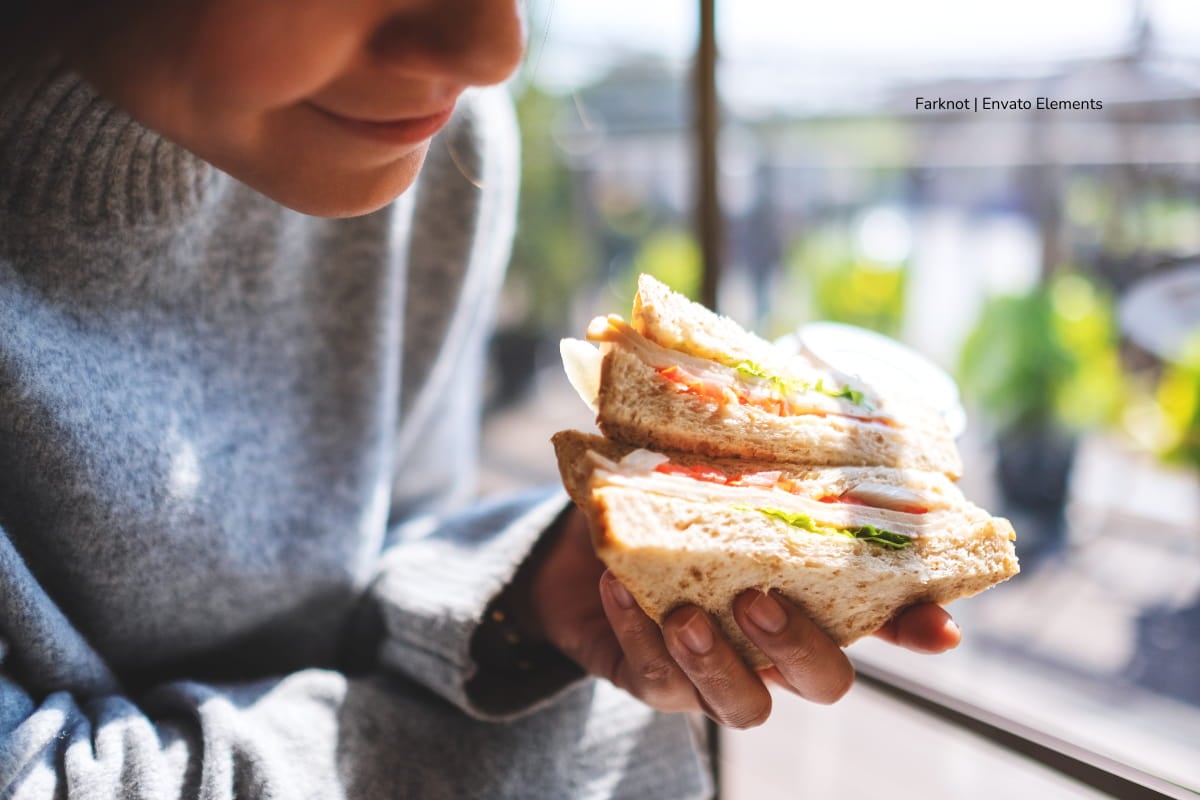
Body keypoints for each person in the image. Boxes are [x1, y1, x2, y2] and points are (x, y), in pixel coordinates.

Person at [0, 1, 961, 797]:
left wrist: (528, 602)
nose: (495, 48)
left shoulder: (437, 149)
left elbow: (380, 549)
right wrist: (569, 752)